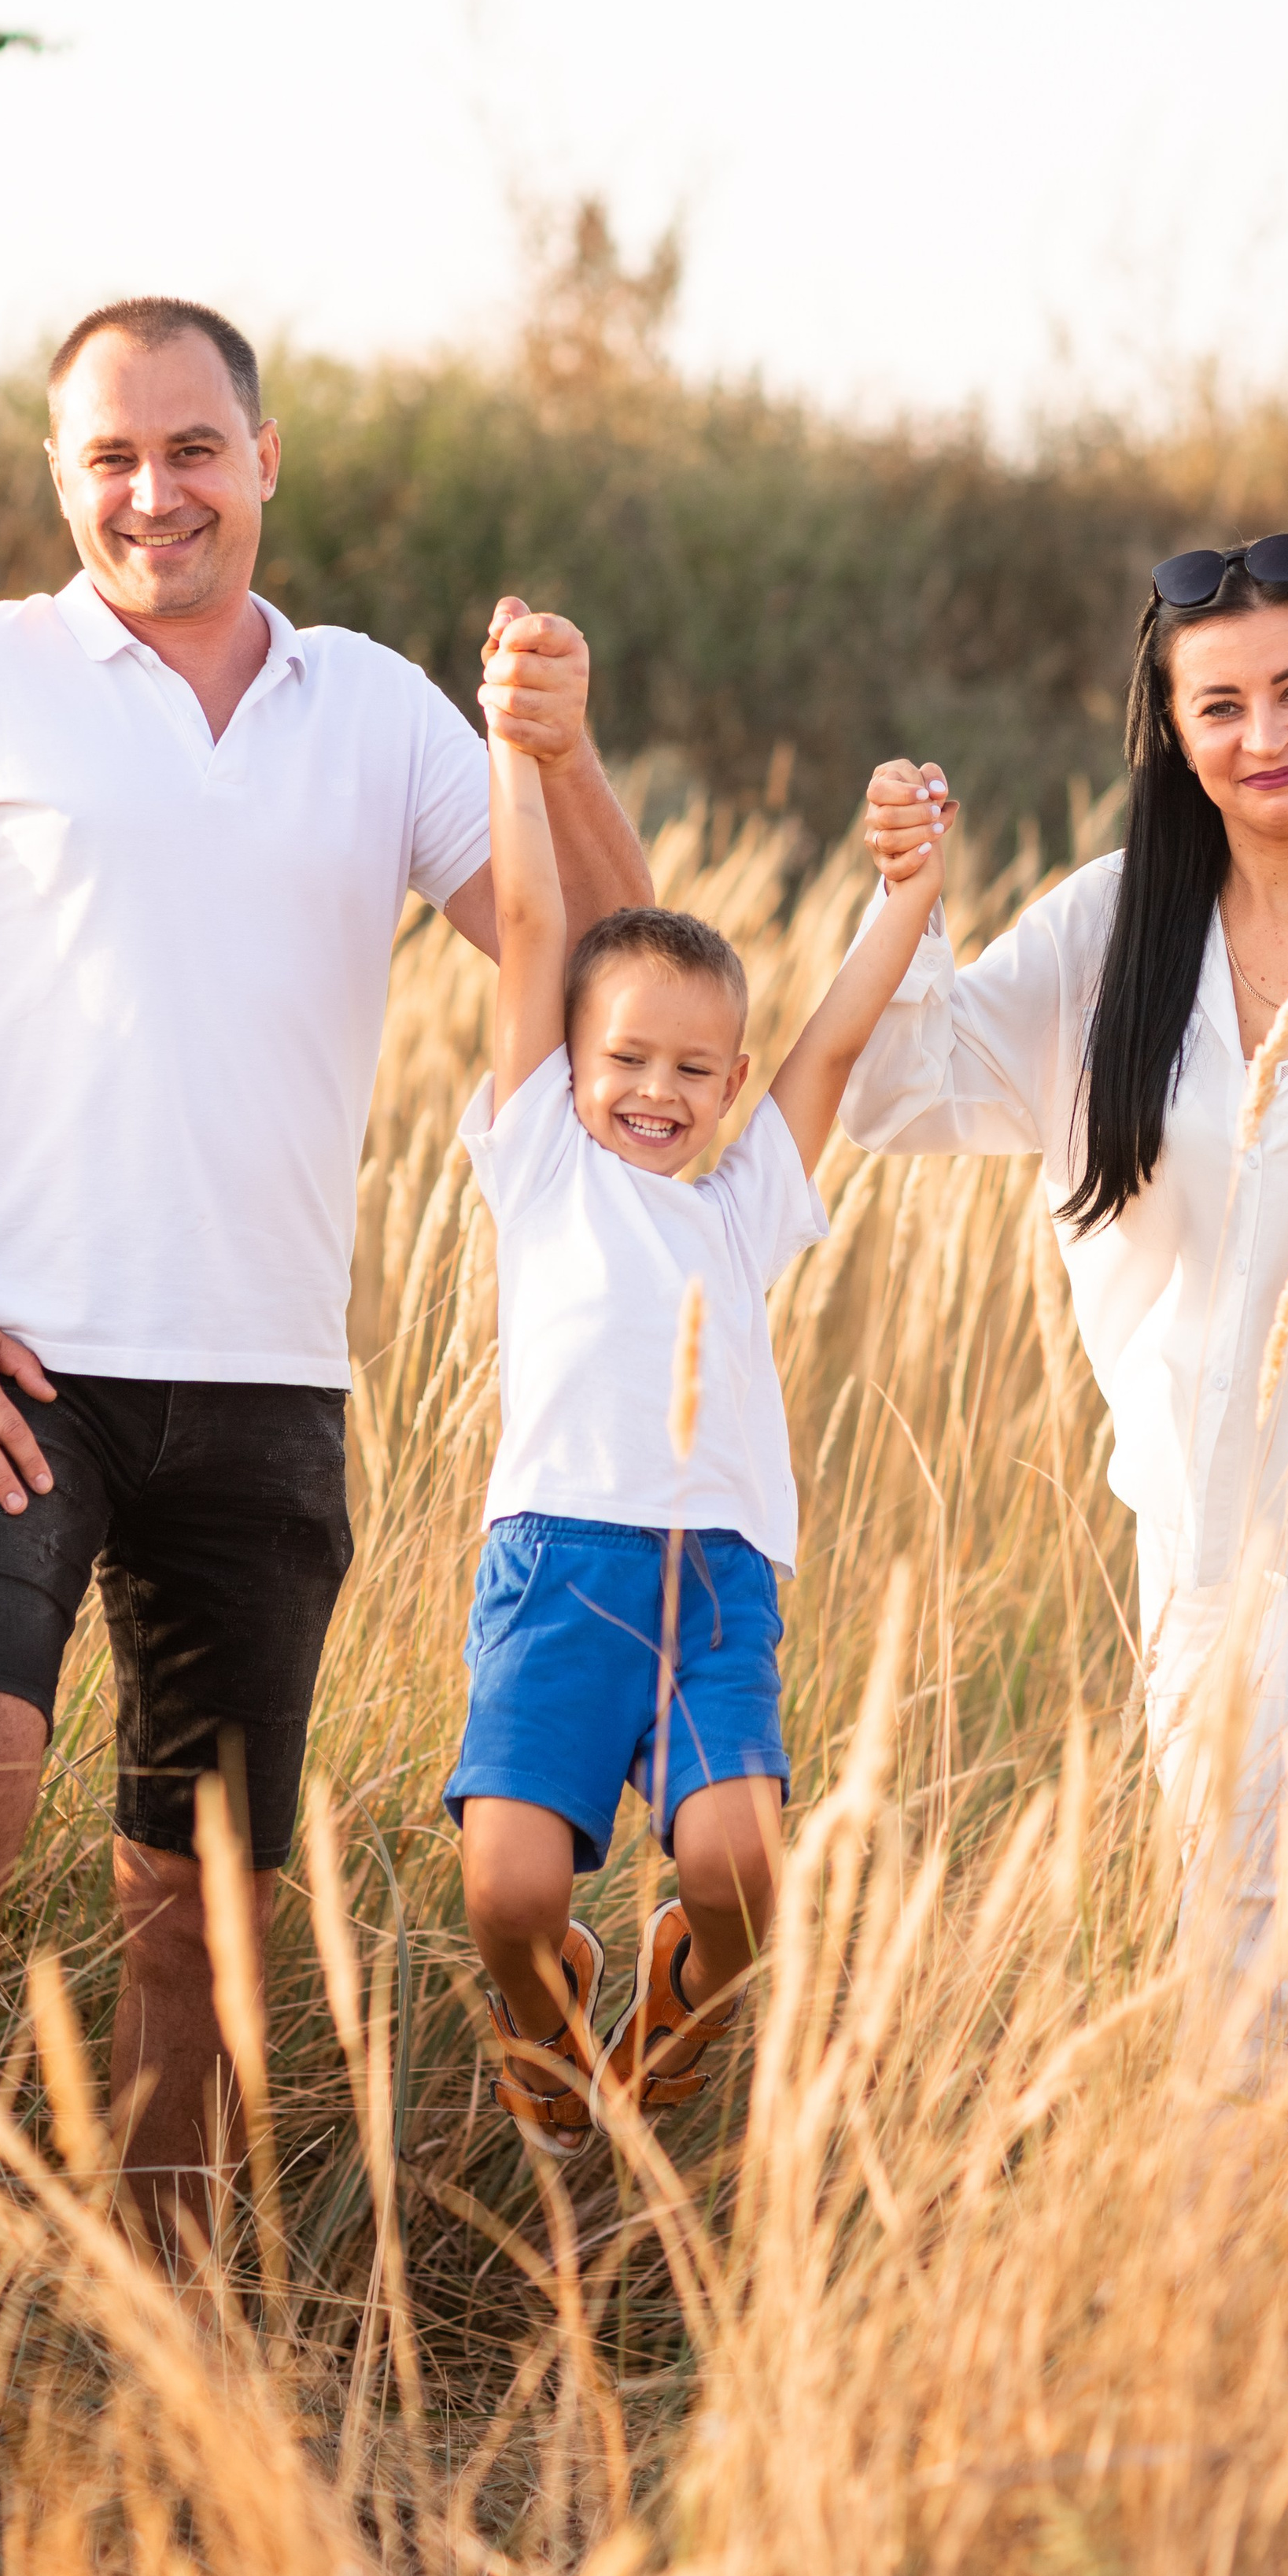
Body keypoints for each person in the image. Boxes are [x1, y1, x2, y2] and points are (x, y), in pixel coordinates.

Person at [0, 295, 653, 2250]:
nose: (153, 494)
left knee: (198, 1902)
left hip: (261, 1386)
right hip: (2, 1368)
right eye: (109, 458)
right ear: (63, 476)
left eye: (191, 450)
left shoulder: (384, 712)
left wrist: (555, 757)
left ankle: (166, 2341)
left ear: (261, 462)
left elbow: (609, 984)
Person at [845, 534, 1288, 2001]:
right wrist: (909, 899)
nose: (1266, 737)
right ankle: (1284, 2227)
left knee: (1267, 1975)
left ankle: (1218, 2216)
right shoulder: (1111, 927)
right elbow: (895, 1094)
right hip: (1189, 1544)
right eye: (1221, 706)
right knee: (1258, 1958)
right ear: (1173, 734)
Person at [445, 710, 952, 2155]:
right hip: (556, 1571)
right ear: (567, 1063)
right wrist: (514, 746)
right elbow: (536, 914)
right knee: (510, 1895)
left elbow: (840, 1038)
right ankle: (547, 2025)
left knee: (747, 1869)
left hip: (715, 1580)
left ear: (733, 1087)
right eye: (628, 1061)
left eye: (693, 1072)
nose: (658, 1093)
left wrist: (907, 891)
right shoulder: (540, 1161)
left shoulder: (743, 1211)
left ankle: (681, 1995)